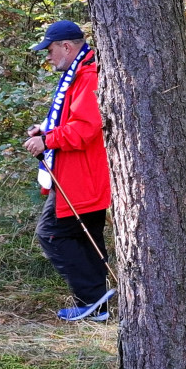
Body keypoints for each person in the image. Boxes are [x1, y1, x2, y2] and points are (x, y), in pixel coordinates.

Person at [23, 20, 114, 322]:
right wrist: (46, 128)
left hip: (82, 176)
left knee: (51, 234)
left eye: (49, 50)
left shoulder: (88, 76)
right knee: (86, 237)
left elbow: (86, 128)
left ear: (67, 47)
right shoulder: (79, 74)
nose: (47, 57)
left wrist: (47, 139)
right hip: (80, 174)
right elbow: (71, 118)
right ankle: (97, 306)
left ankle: (91, 300)